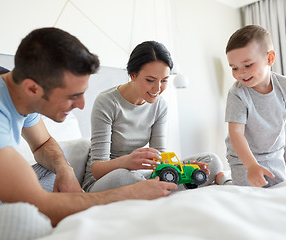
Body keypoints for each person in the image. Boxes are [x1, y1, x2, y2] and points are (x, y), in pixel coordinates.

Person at [0, 28, 177, 239]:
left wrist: (65, 170)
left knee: (66, 158)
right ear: (32, 88)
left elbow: (42, 144)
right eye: (73, 96)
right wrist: (128, 194)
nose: (82, 105)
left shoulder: (12, 86)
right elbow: (39, 203)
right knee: (25, 221)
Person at [82, 41, 224, 193]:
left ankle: (156, 188)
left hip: (141, 174)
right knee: (125, 177)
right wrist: (127, 162)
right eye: (150, 80)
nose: (157, 89)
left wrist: (182, 168)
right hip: (106, 178)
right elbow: (97, 169)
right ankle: (158, 189)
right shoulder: (107, 102)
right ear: (133, 75)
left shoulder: (159, 105)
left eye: (164, 81)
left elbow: (160, 158)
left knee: (212, 161)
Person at [224, 24, 286, 187]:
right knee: (249, 194)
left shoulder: (285, 86)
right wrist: (251, 166)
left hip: (274, 156)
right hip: (244, 160)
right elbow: (236, 133)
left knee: (279, 190)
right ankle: (224, 179)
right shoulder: (237, 93)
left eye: (248, 65)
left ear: (269, 58)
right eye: (234, 68)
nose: (241, 73)